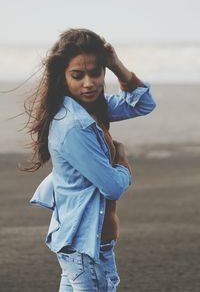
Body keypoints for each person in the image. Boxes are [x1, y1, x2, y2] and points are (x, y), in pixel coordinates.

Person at [28, 28, 156, 291]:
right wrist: (122, 160)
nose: (89, 83)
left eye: (96, 73)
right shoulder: (75, 125)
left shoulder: (93, 107)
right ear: (63, 78)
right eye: (77, 75)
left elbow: (143, 104)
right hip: (86, 248)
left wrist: (117, 66)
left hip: (83, 243)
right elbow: (113, 186)